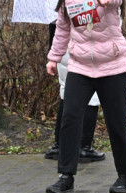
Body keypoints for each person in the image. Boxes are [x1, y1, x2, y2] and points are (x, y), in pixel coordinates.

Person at [45, 0, 126, 193]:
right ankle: (66, 177)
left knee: (116, 122)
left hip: (112, 65)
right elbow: (62, 29)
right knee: (70, 118)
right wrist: (53, 58)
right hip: (80, 66)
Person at [43, 19, 104, 164]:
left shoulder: (60, 6)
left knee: (66, 93)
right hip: (83, 48)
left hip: (63, 50)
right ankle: (84, 147)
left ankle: (59, 145)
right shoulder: (88, 5)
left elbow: (57, 27)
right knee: (92, 98)